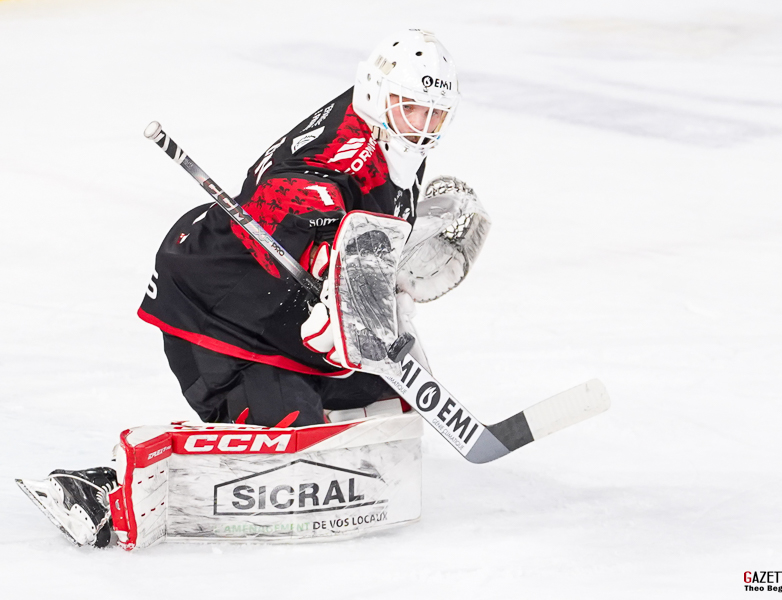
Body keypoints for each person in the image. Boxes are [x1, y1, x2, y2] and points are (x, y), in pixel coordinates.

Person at [18, 29, 482, 548]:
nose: (424, 127)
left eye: (436, 114)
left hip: (277, 314)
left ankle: (311, 409)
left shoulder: (390, 138)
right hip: (218, 316)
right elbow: (286, 212)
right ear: (377, 93)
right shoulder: (322, 168)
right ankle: (105, 491)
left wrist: (383, 295)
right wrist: (338, 293)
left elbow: (360, 244)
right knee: (295, 450)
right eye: (412, 109)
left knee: (387, 398)